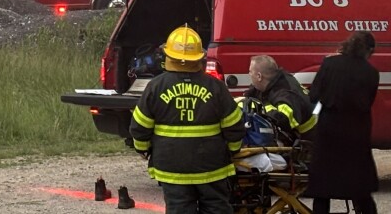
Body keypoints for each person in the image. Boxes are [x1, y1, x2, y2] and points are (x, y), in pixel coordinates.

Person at [129, 25, 245, 214]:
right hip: (211, 166)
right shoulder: (215, 87)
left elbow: (140, 127)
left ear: (168, 56)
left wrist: (142, 149)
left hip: (172, 167)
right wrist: (233, 150)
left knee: (179, 209)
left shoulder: (155, 87)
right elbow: (234, 126)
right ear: (199, 57)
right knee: (216, 208)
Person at [305, 31, 379, 214]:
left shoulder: (329, 64)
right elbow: (367, 102)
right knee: (360, 188)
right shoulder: (371, 73)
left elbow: (314, 95)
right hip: (356, 133)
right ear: (369, 51)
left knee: (322, 190)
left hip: (328, 131)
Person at [244, 54, 316, 140]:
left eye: (250, 71)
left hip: (309, 136)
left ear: (259, 76)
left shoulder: (284, 93)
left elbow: (283, 120)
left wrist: (264, 106)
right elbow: (252, 94)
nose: (249, 74)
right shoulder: (272, 80)